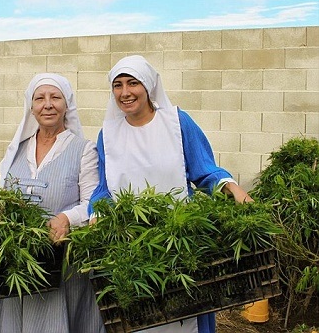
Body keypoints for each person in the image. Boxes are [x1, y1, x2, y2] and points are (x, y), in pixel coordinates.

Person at [89, 55, 253, 333]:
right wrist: (96, 214)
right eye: (118, 85)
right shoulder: (108, 135)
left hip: (179, 245)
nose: (125, 92)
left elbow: (203, 170)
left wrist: (233, 189)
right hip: (131, 252)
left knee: (184, 316)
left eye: (133, 83)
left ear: (149, 86)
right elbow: (105, 188)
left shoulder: (177, 122)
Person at [0, 73, 105, 333]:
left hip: (60, 263)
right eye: (39, 98)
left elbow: (92, 202)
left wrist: (66, 218)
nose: (48, 104)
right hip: (16, 263)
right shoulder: (17, 149)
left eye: (55, 97)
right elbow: (0, 198)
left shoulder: (83, 150)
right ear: (31, 107)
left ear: (67, 105)